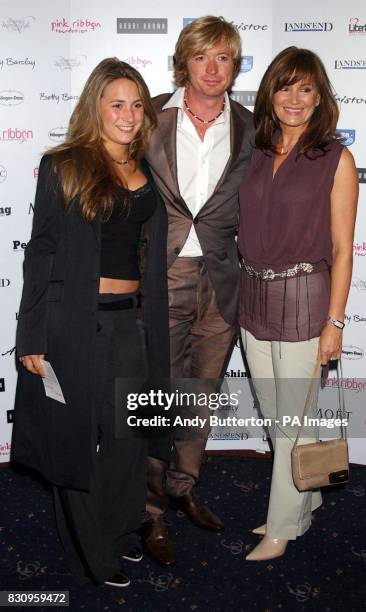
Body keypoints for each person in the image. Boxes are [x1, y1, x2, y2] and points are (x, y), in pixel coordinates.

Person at [11, 58, 169, 587]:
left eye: (136, 104)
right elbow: (42, 252)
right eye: (116, 103)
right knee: (74, 444)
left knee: (130, 439)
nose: (127, 115)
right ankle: (90, 555)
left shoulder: (146, 165)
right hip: (75, 327)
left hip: (132, 326)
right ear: (95, 107)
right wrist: (30, 335)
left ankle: (123, 532)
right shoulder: (65, 165)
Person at [237, 46, 358, 561]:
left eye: (305, 88)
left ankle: (283, 528)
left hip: (306, 303)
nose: (294, 98)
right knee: (281, 416)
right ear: (271, 93)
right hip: (252, 300)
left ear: (319, 98)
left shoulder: (336, 158)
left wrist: (334, 322)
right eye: (285, 86)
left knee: (290, 422)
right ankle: (305, 502)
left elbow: (341, 250)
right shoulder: (256, 152)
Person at [143, 15, 254, 566]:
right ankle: (149, 508)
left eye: (224, 58)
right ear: (183, 62)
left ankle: (184, 489)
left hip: (221, 280)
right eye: (202, 57)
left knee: (200, 397)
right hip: (161, 277)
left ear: (235, 66)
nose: (213, 69)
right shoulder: (148, 119)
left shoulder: (253, 127)